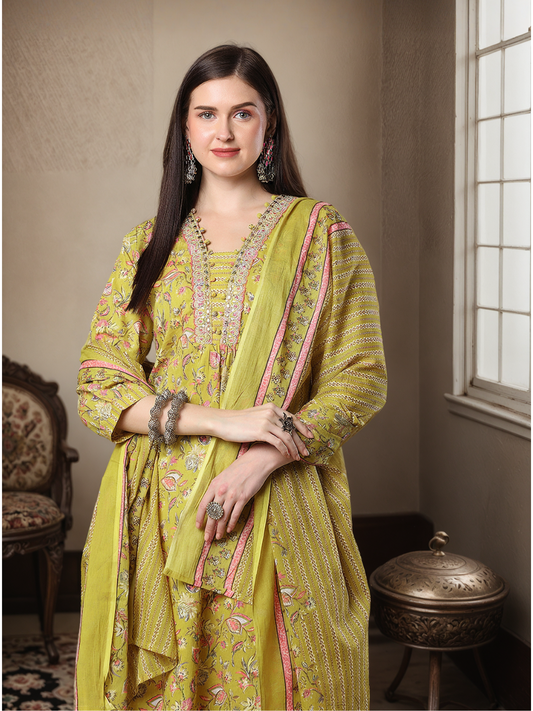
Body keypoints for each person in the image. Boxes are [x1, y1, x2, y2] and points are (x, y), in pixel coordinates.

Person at [75, 44, 386, 711]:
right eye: (206, 113)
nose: (223, 131)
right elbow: (101, 384)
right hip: (159, 511)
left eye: (242, 113)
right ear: (184, 129)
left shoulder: (320, 235)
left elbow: (360, 377)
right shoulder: (148, 244)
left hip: (273, 504)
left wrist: (261, 457)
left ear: (268, 124)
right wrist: (222, 421)